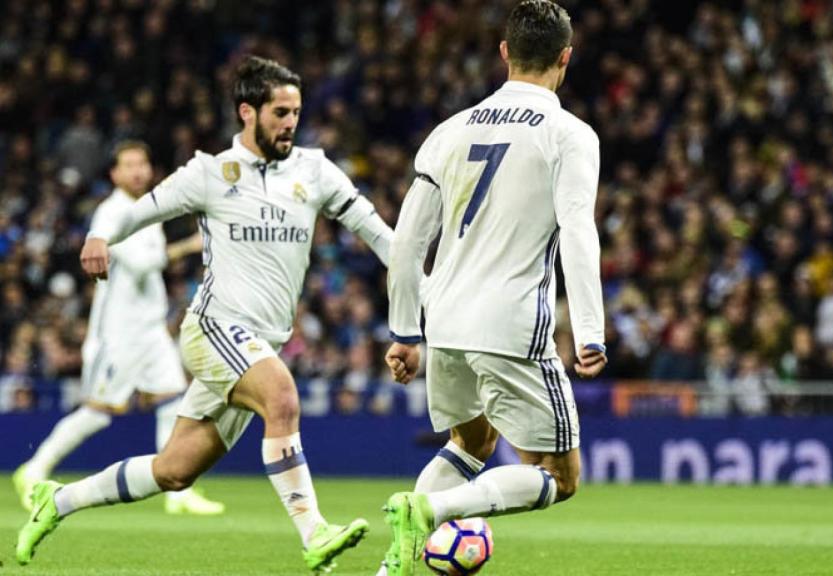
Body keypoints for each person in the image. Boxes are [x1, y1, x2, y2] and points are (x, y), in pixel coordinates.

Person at [16, 56, 393, 572]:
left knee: (174, 472)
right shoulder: (211, 173)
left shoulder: (316, 170)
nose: (290, 122)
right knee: (282, 397)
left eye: (296, 112)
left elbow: (375, 231)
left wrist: (423, 281)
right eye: (280, 112)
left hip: (262, 341)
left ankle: (57, 501)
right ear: (247, 111)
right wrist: (100, 236)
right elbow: (144, 206)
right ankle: (314, 532)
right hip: (214, 328)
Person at [380, 2, 606, 574]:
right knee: (560, 475)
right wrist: (590, 331)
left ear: (504, 53)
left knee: (470, 443)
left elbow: (406, 241)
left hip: (445, 321)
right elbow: (578, 230)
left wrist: (406, 330)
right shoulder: (569, 135)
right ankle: (430, 509)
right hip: (510, 323)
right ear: (566, 58)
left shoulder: (449, 131)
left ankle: (393, 565)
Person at [12, 141, 225, 517]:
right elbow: (143, 264)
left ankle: (176, 492)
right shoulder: (110, 215)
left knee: (174, 402)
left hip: (151, 330)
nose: (138, 171)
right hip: (118, 335)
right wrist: (188, 246)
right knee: (97, 412)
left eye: (143, 163)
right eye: (129, 165)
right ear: (114, 173)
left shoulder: (147, 209)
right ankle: (34, 469)